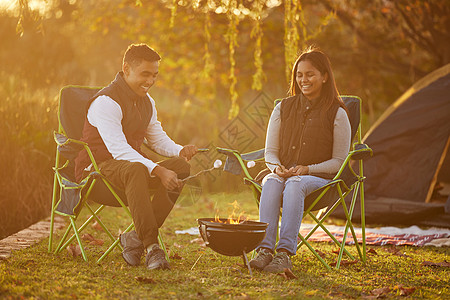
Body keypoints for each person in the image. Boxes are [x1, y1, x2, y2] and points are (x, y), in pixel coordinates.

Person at [74, 43, 199, 270]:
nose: (150, 81)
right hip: (97, 172)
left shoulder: (147, 102)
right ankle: (151, 247)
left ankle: (134, 238)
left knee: (180, 166)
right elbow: (119, 150)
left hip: (133, 173)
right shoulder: (105, 102)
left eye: (154, 75)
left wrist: (180, 150)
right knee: (136, 168)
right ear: (126, 68)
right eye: (145, 74)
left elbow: (157, 139)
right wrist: (159, 170)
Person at [249, 47, 351, 273]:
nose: (303, 80)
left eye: (310, 74)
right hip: (284, 176)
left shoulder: (337, 113)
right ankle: (265, 250)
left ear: (325, 77)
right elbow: (270, 151)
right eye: (299, 75)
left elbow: (339, 161)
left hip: (321, 182)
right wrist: (277, 168)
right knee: (272, 181)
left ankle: (283, 254)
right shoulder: (282, 108)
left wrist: (307, 169)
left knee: (295, 183)